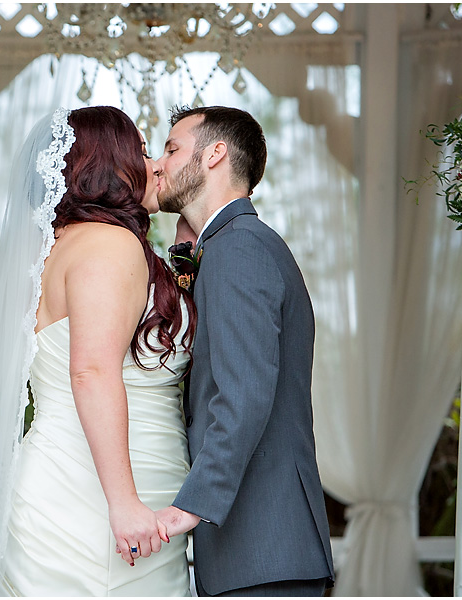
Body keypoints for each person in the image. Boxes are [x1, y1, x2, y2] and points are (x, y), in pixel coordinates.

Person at [0, 106, 197, 596]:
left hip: (84, 485)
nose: (155, 164)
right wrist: (124, 503)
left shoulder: (56, 247)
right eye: (139, 151)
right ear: (106, 166)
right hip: (94, 504)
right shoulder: (110, 245)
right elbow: (91, 372)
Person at [152, 105, 335, 596]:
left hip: (265, 550)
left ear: (215, 154)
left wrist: (190, 506)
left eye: (171, 149)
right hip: (259, 552)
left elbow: (245, 395)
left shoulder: (238, 250)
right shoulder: (232, 245)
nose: (157, 164)